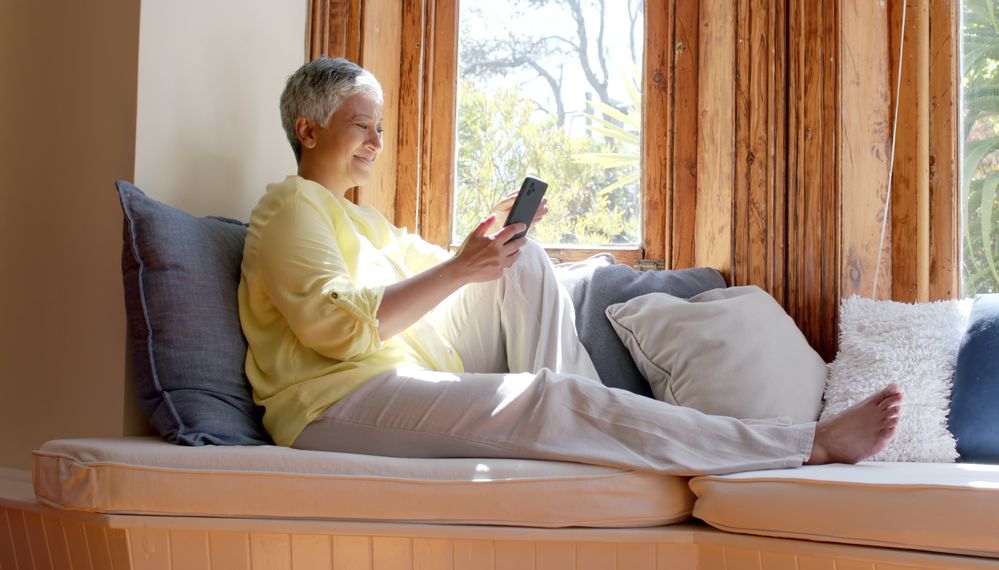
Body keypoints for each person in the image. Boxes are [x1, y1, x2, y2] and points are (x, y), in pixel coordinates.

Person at [237, 57, 902, 476]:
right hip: (330, 404)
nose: (377, 142)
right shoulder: (291, 208)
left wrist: (489, 241)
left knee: (520, 264)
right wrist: (457, 271)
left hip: (404, 373)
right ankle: (800, 444)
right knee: (547, 396)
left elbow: (442, 274)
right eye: (362, 126)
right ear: (310, 129)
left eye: (381, 128)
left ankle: (582, 421)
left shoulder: (364, 221)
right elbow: (336, 329)